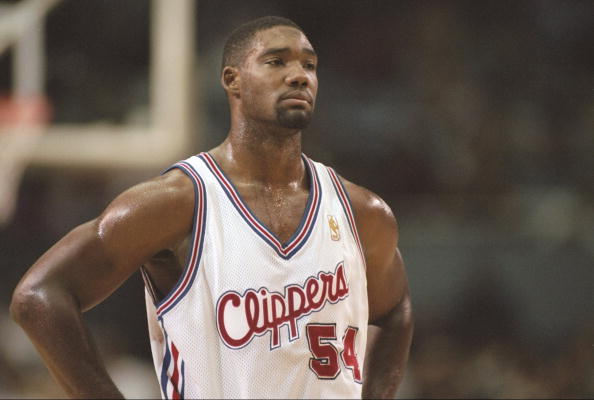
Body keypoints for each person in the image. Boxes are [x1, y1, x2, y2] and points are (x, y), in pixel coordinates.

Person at [10, 16, 413, 399]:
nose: (299, 75)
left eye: (309, 64)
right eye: (276, 61)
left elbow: (395, 311)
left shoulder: (362, 211)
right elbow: (39, 295)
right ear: (232, 80)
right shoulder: (180, 201)